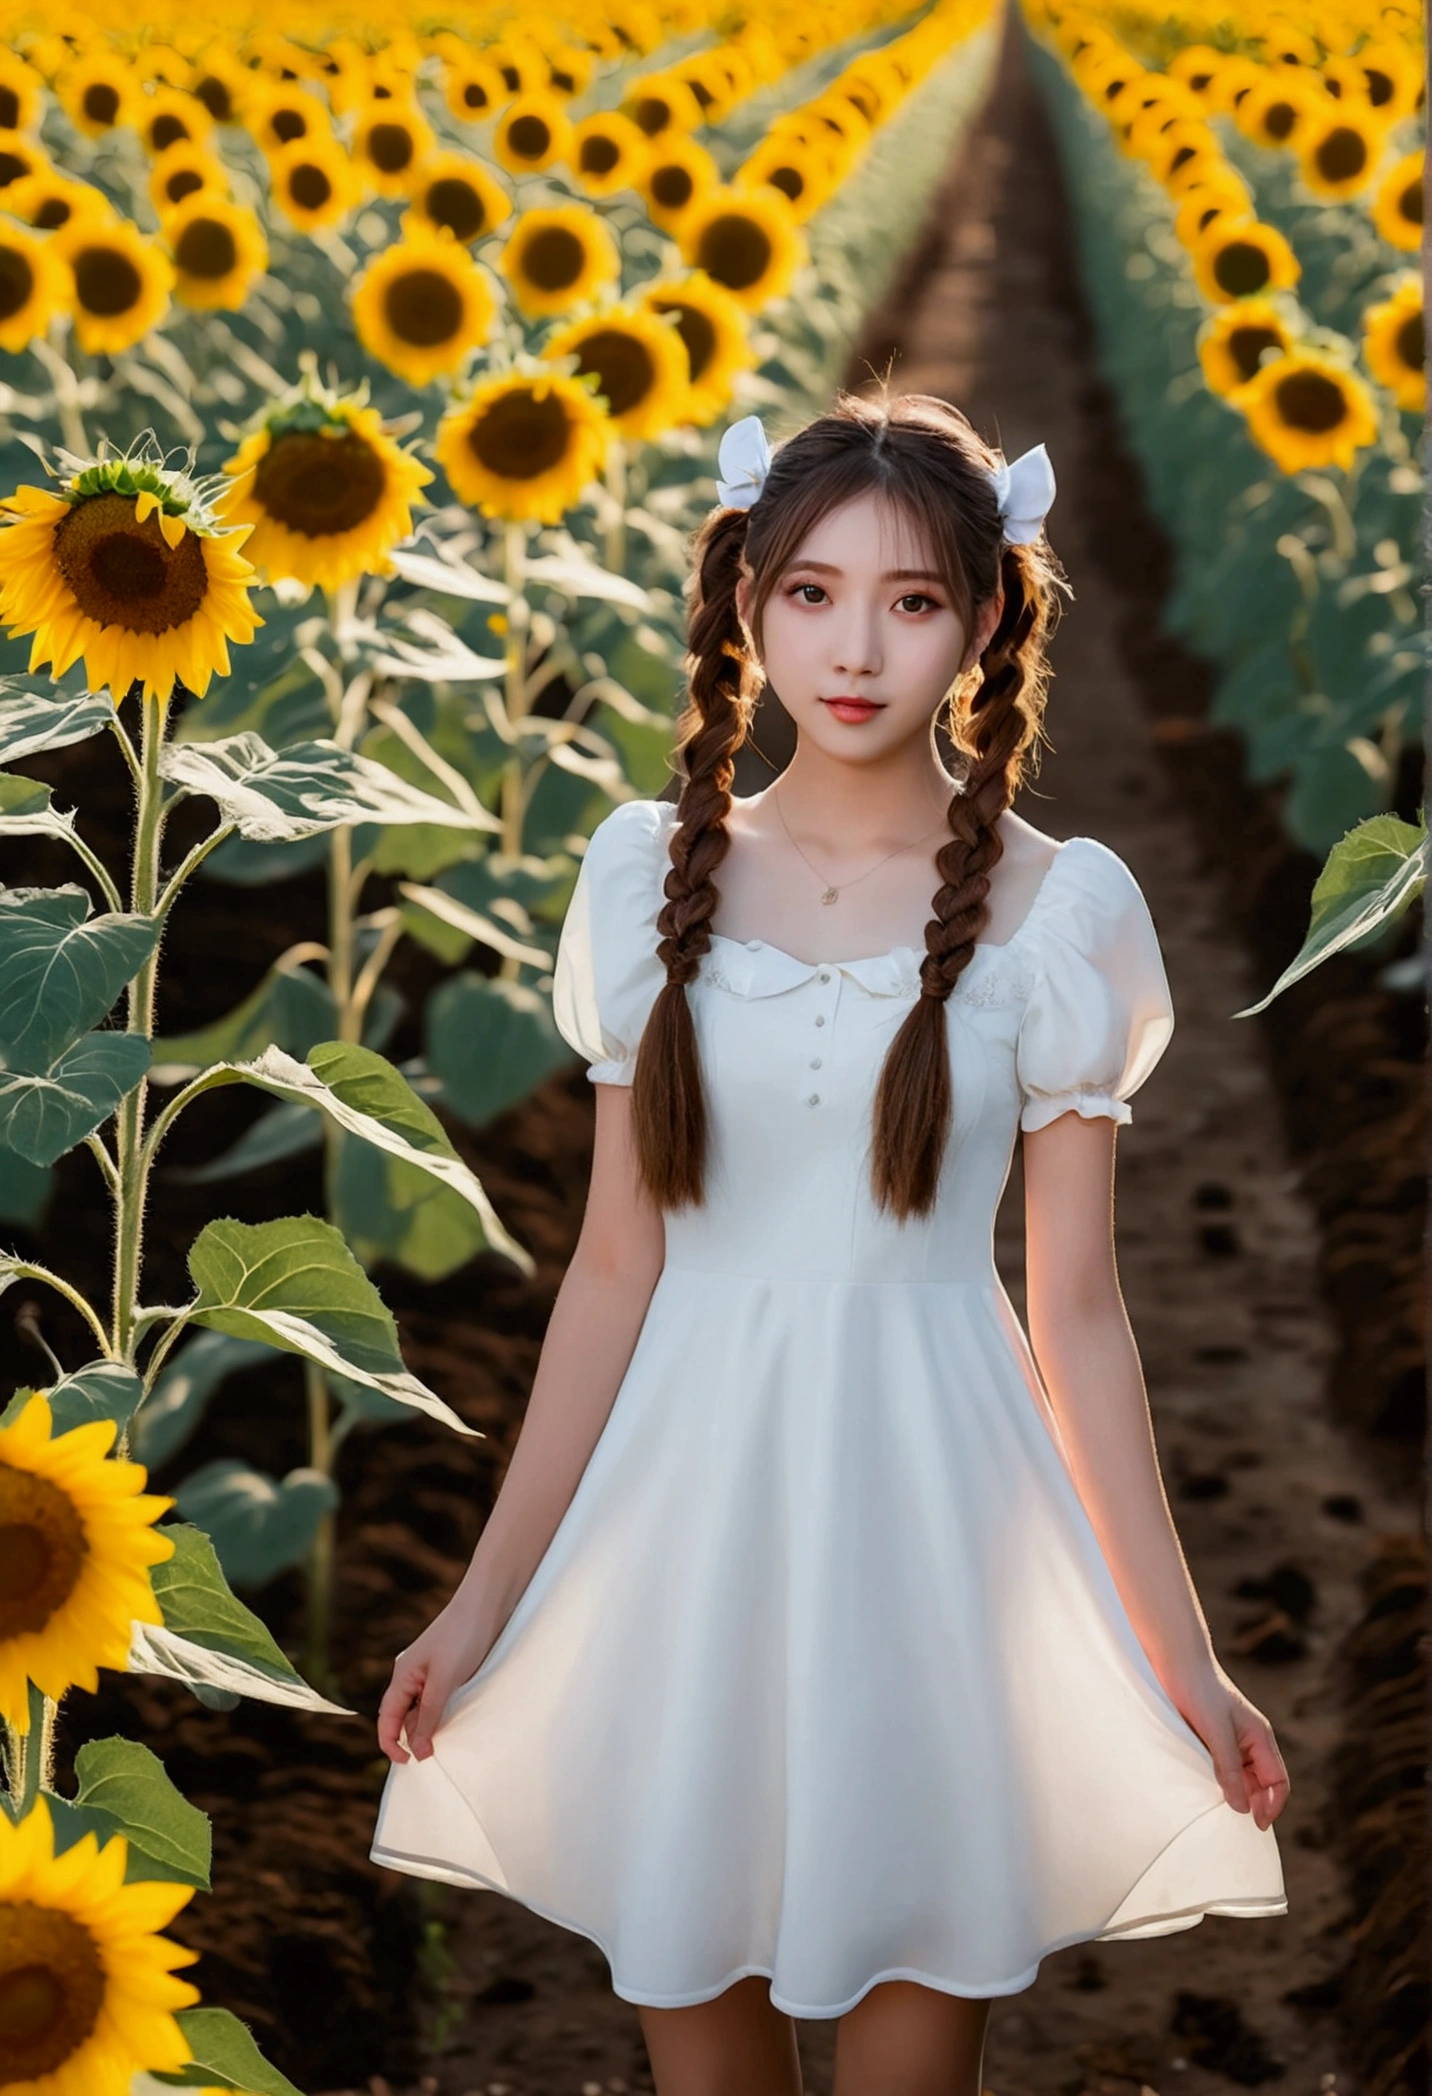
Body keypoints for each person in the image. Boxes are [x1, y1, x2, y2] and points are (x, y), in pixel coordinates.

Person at [370, 388, 1290, 2096]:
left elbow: (1077, 1314)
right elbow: (614, 1272)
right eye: (809, 591)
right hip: (684, 1507)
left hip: (946, 1517)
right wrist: (480, 1600)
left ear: (987, 618)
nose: (853, 646)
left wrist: (1184, 1655)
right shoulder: (651, 878)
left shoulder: (1058, 911)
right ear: (744, 603)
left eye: (913, 599)